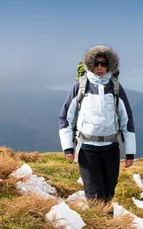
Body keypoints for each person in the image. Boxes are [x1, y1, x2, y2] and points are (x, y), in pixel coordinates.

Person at [58, 45, 136, 201]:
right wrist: (68, 147)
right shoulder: (80, 87)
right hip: (87, 149)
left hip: (111, 149)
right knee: (95, 195)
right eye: (96, 63)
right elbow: (65, 117)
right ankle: (100, 225)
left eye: (104, 63)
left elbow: (127, 121)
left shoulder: (115, 88)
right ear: (90, 64)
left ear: (110, 65)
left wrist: (129, 152)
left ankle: (108, 225)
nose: (100, 67)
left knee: (108, 194)